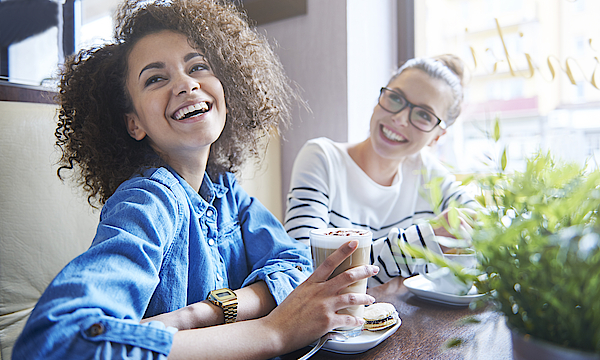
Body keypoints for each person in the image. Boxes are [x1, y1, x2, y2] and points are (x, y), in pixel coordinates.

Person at [11, 1, 379, 359]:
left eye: (198, 66)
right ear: (133, 123)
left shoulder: (225, 193)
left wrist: (203, 314)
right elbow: (57, 342)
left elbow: (297, 266)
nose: (186, 85)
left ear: (227, 88)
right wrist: (273, 332)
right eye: (155, 78)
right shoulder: (146, 202)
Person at [284, 55, 478, 287]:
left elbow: (480, 221)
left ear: (437, 136)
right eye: (396, 98)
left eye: (424, 115)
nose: (399, 118)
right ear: (380, 97)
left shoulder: (426, 171)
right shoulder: (322, 158)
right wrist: (419, 243)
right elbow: (304, 272)